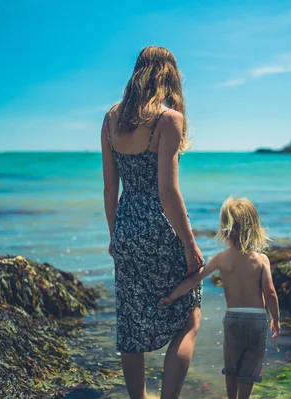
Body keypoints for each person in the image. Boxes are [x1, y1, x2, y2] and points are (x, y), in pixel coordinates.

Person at [101, 46, 203, 399]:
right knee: (189, 314)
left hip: (127, 227)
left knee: (130, 324)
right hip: (162, 230)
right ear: (169, 76)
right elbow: (168, 191)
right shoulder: (168, 119)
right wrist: (190, 245)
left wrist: (116, 236)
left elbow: (110, 186)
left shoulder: (111, 118)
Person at [158, 197, 280, 399]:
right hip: (258, 319)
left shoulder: (221, 259)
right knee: (250, 366)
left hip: (233, 318)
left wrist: (172, 296)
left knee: (231, 364)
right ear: (254, 228)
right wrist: (275, 318)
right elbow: (270, 292)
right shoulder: (261, 260)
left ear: (225, 229)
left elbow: (194, 279)